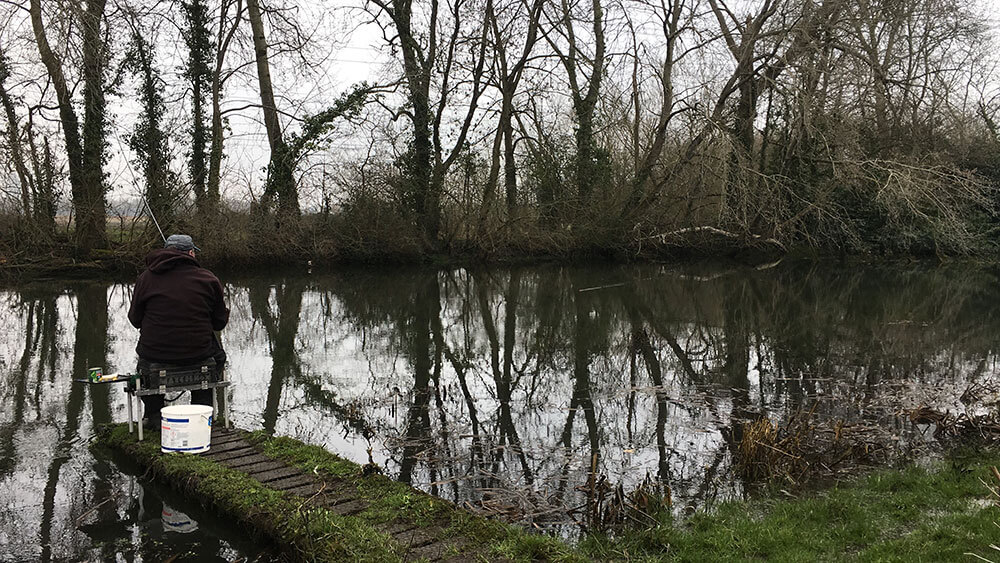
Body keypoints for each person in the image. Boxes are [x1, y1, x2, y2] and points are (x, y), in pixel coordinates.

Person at [128, 234, 229, 429]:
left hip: (155, 354)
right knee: (216, 359)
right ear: (191, 253)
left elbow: (135, 320)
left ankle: (155, 417)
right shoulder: (208, 279)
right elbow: (219, 323)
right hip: (199, 354)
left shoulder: (146, 278)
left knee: (145, 363)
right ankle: (201, 413)